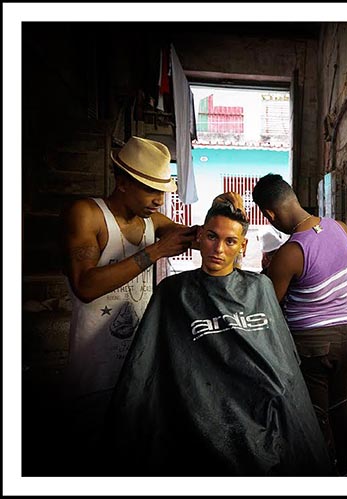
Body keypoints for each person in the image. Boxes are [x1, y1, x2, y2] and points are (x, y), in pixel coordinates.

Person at [105, 201, 332, 476]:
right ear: (199, 237)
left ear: (243, 247)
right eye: (212, 237)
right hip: (199, 402)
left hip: (261, 397)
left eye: (230, 241)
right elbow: (150, 365)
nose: (219, 249)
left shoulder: (259, 287)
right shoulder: (173, 292)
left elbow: (280, 356)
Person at [60, 135, 240, 472]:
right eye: (150, 190)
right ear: (123, 181)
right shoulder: (87, 215)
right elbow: (85, 286)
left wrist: (225, 217)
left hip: (139, 360)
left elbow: (201, 238)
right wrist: (155, 251)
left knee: (132, 453)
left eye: (163, 191)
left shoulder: (151, 222)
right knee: (91, 456)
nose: (159, 201)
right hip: (94, 365)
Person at [252, 173, 347, 476]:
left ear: (270, 214)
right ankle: (345, 470)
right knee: (340, 406)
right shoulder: (339, 228)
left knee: (314, 415)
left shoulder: (290, 252)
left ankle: (320, 475)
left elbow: (270, 303)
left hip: (314, 345)